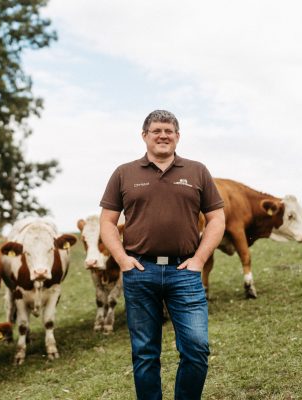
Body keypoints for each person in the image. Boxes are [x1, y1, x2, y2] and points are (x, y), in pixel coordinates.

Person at [99, 110, 225, 400]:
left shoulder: (197, 171)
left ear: (178, 137)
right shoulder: (124, 173)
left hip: (186, 272)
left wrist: (199, 261)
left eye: (169, 131)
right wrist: (122, 260)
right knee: (145, 353)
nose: (163, 135)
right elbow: (107, 222)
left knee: (196, 348)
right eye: (156, 130)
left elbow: (217, 219)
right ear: (144, 136)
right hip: (140, 272)